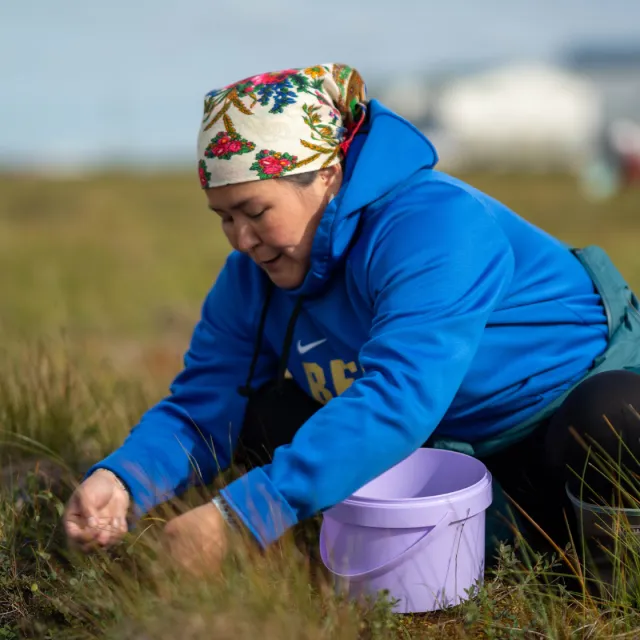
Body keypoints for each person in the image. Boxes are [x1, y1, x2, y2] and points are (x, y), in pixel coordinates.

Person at [63, 63, 640, 579]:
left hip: (559, 429)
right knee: (263, 415)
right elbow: (204, 406)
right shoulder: (251, 278)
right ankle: (488, 554)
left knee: (615, 415)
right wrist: (123, 481)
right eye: (224, 217)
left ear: (327, 176)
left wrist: (243, 517)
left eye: (256, 212)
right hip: (451, 454)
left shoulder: (435, 225)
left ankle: (611, 579)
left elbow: (398, 396)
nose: (241, 240)